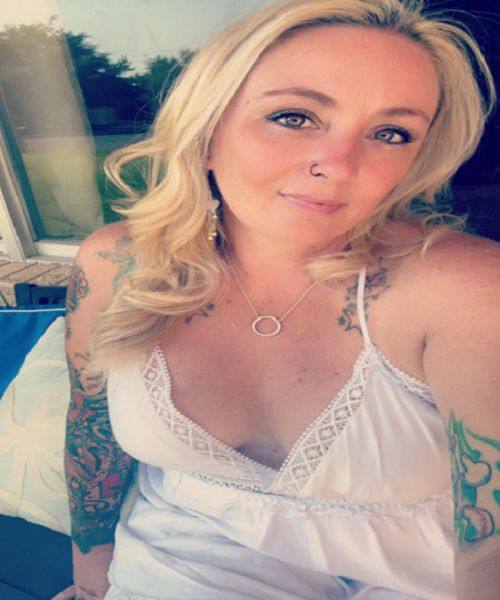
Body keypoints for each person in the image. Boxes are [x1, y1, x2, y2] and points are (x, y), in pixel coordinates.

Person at [53, 0, 499, 598]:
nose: (338, 166)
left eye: (390, 133)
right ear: (206, 132)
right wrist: (91, 573)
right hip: (177, 559)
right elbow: (92, 434)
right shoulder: (116, 266)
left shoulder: (464, 289)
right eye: (295, 117)